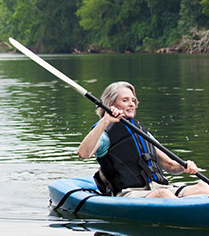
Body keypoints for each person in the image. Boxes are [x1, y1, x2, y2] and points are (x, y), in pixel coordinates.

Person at [77, 81, 209, 198]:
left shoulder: (141, 132)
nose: (131, 104)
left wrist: (185, 166)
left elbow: (170, 166)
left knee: (203, 187)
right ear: (111, 104)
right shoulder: (105, 133)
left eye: (133, 100)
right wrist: (105, 121)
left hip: (159, 188)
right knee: (163, 195)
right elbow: (83, 154)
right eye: (125, 100)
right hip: (130, 193)